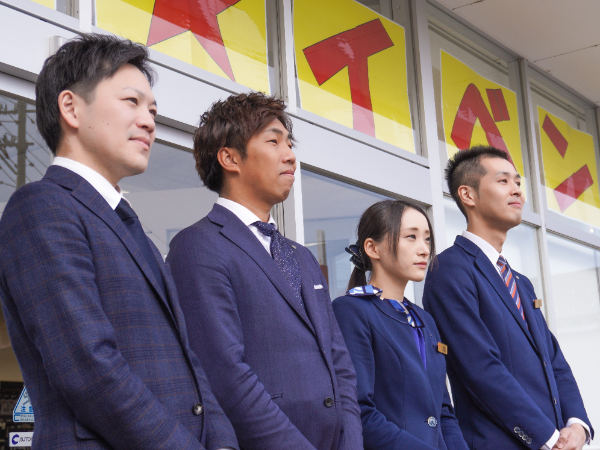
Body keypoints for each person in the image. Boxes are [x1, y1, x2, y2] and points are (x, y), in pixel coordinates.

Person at [0, 34, 238, 450]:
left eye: (153, 110)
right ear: (71, 108)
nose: (149, 122)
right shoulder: (42, 207)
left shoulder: (129, 225)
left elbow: (190, 363)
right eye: (131, 102)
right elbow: (89, 367)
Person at [167, 92, 363, 450]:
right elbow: (225, 375)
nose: (290, 155)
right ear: (229, 157)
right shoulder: (197, 247)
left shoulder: (301, 256)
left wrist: (350, 442)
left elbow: (340, 362)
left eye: (289, 144)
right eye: (273, 142)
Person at [423, 146, 593, 450]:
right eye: (503, 181)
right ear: (468, 195)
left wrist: (577, 424)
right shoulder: (449, 270)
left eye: (517, 182)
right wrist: (548, 438)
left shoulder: (520, 283)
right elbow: (480, 368)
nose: (517, 191)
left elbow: (553, 360)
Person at [332, 200, 469, 450]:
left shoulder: (424, 319)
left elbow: (443, 412)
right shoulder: (352, 311)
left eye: (427, 239)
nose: (424, 250)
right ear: (373, 248)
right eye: (411, 237)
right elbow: (359, 411)